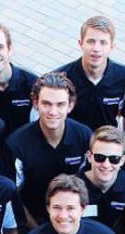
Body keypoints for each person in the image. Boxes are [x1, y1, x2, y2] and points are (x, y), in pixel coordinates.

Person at [6, 72, 93, 225]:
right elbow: (14, 195)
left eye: (60, 104)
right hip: (33, 220)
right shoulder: (17, 143)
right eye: (46, 104)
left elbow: (91, 183)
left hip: (73, 218)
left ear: (70, 106)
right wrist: (34, 228)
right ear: (35, 103)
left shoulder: (84, 136)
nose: (53, 112)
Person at [54, 15, 125, 130]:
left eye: (103, 43)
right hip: (73, 143)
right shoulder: (61, 78)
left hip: (107, 143)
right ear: (81, 44)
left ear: (112, 47)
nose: (96, 48)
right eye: (91, 41)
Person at [78, 126, 125, 229]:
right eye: (99, 158)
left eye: (114, 159)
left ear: (123, 160)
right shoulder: (72, 189)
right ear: (89, 157)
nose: (106, 165)